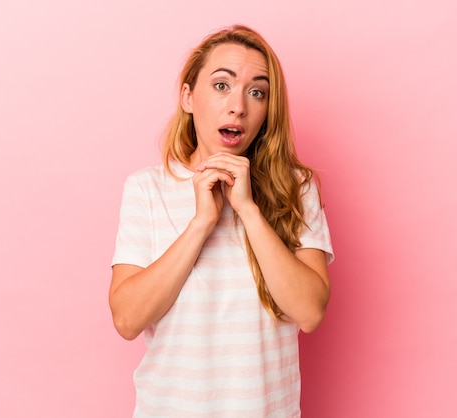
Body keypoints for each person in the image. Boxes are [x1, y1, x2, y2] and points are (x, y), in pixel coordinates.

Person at [109, 24, 334, 417]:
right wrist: (201, 223)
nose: (239, 106)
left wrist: (248, 210)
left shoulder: (296, 188)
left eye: (257, 91)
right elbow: (127, 319)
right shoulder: (147, 189)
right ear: (188, 96)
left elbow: (310, 312)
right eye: (221, 86)